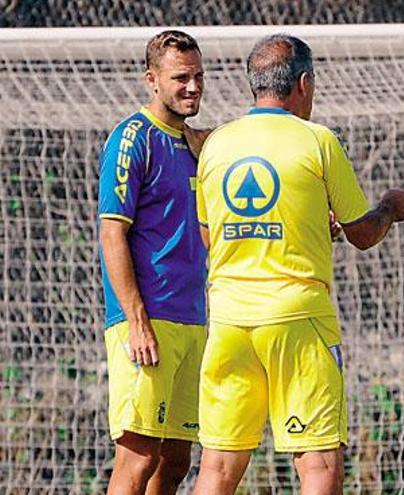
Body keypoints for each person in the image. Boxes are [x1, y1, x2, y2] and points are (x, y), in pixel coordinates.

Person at [191, 34, 404, 495]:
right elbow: (363, 233)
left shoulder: (216, 145)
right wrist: (391, 206)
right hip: (297, 321)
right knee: (317, 467)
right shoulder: (317, 140)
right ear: (304, 84)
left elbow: (212, 235)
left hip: (229, 323)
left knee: (216, 470)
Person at [97, 30, 207, 495]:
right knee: (138, 457)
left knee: (177, 459)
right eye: (181, 77)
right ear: (152, 80)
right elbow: (111, 233)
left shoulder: (200, 146)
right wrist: (137, 321)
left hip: (193, 318)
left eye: (199, 76)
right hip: (148, 320)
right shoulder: (132, 138)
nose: (193, 87)